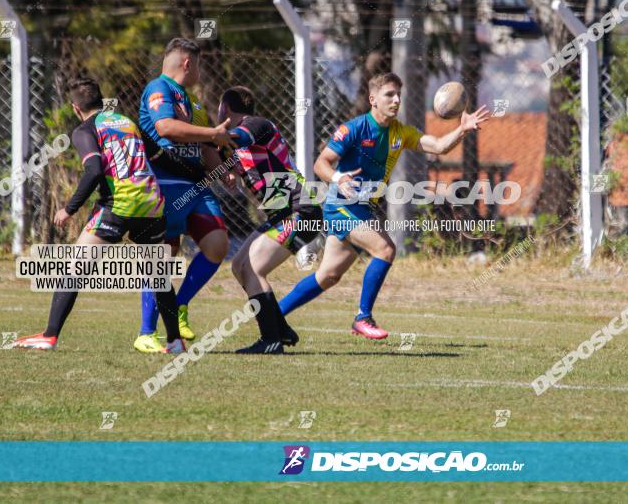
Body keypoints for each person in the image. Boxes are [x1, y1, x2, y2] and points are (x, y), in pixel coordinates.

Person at [278, 72, 490, 338]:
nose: (396, 100)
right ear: (372, 99)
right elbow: (321, 163)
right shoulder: (354, 128)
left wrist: (462, 128)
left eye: (398, 95)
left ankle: (272, 314)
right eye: (389, 94)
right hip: (340, 205)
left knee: (328, 276)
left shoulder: (400, 133)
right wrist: (338, 178)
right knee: (385, 249)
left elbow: (437, 146)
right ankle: (362, 317)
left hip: (362, 209)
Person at [13, 77, 204, 352]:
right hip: (151, 204)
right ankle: (175, 341)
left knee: (74, 268)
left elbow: (94, 170)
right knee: (157, 275)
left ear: (75, 108)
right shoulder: (127, 123)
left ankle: (49, 335)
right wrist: (199, 173)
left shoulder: (84, 130)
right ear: (102, 102)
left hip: (118, 205)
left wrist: (69, 209)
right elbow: (162, 157)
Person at [134, 38, 237, 353]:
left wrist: (223, 172)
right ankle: (147, 333)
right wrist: (213, 134)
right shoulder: (158, 88)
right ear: (188, 63)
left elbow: (206, 146)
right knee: (162, 260)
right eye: (200, 64)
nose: (202, 71)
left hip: (195, 188)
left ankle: (178, 306)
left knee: (218, 243)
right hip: (164, 186)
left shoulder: (191, 102)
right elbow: (165, 128)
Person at [216, 86, 322, 354]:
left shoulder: (256, 125)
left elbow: (236, 139)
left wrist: (195, 134)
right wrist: (226, 171)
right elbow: (234, 158)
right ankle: (280, 328)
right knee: (239, 265)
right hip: (283, 214)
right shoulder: (239, 143)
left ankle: (270, 340)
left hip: (303, 211)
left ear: (225, 109)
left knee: (253, 268)